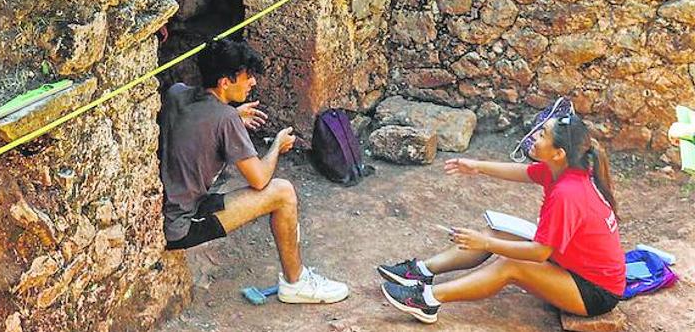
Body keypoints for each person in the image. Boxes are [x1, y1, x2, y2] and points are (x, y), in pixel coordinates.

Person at [378, 113, 624, 324]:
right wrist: (477, 166)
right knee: (498, 231)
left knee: (511, 265)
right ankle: (422, 270)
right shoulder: (566, 170)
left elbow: (540, 253)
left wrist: (484, 244)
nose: (536, 136)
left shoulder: (567, 193)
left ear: (559, 153)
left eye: (543, 135)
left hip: (594, 293)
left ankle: (427, 300)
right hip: (571, 267)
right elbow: (525, 172)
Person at [158, 38, 349, 303]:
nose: (253, 83)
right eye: (247, 77)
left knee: (278, 190)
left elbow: (199, 120)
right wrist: (276, 147)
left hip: (166, 207)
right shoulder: (224, 119)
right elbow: (259, 179)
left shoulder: (176, 93)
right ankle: (296, 283)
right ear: (225, 82)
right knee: (282, 192)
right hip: (182, 223)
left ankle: (297, 280)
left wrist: (233, 116)